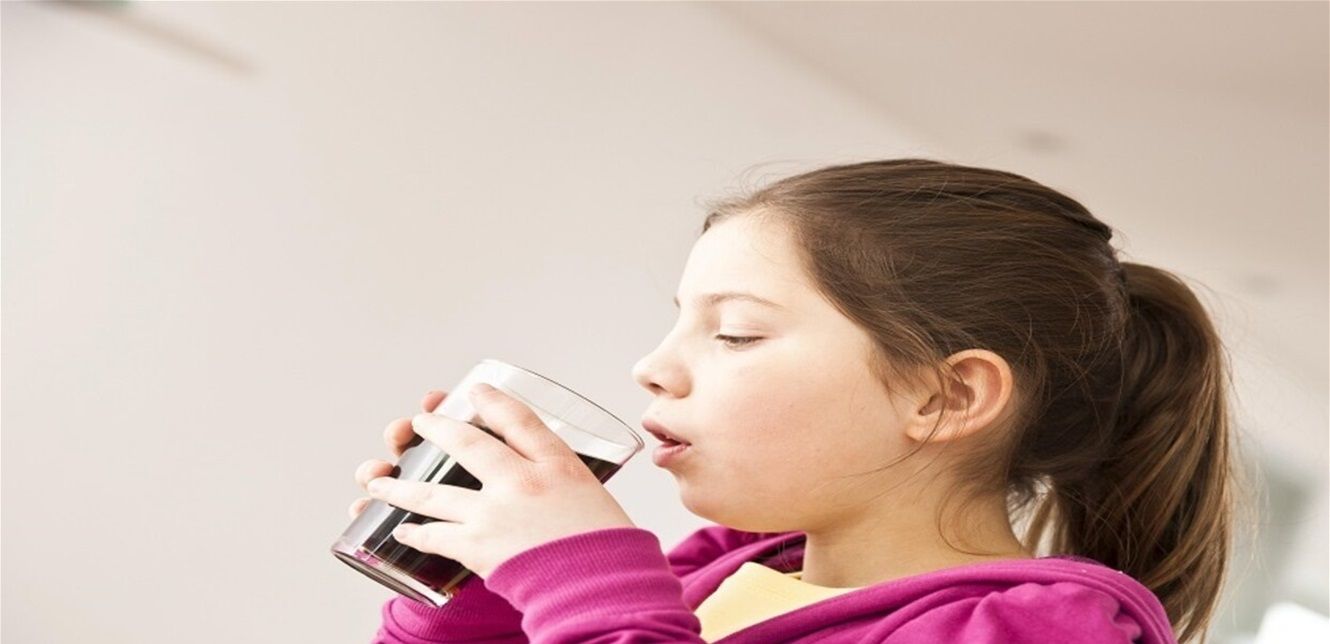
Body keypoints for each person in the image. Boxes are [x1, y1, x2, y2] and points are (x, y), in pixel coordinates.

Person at [348, 158, 1234, 643]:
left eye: (735, 333)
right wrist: (480, 589)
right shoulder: (712, 577)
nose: (650, 368)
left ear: (944, 396)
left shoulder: (1035, 633)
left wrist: (584, 578)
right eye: (677, 322)